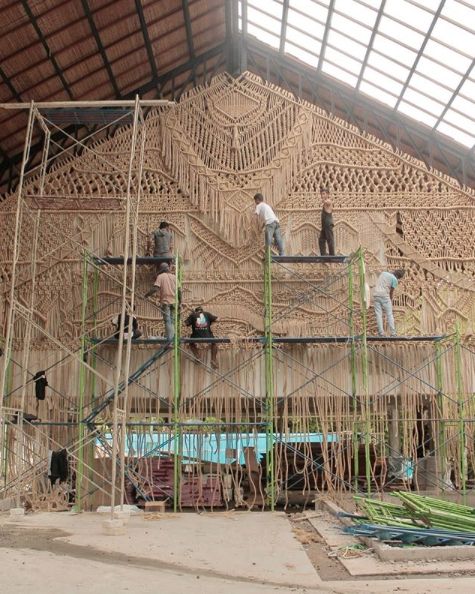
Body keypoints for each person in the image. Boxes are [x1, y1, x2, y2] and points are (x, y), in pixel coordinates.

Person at [145, 263, 178, 340]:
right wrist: (180, 302)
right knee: (172, 320)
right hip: (174, 302)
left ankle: (169, 339)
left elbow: (155, 289)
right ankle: (172, 337)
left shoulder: (161, 276)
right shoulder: (174, 277)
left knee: (167, 320)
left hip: (166, 301)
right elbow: (179, 290)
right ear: (168, 268)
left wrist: (147, 295)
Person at [373, 269, 405, 337]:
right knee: (389, 314)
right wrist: (390, 299)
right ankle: (393, 333)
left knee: (378, 314)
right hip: (384, 296)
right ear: (398, 276)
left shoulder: (383, 273)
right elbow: (391, 292)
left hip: (376, 295)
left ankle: (381, 333)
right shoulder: (395, 280)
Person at [318, 187, 335, 256]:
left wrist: (323, 200)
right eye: (321, 194)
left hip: (328, 224)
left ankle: (332, 255)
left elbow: (328, 202)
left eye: (324, 194)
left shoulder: (328, 201)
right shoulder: (325, 202)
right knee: (321, 240)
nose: (322, 195)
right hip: (324, 226)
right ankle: (324, 255)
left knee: (330, 240)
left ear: (328, 194)